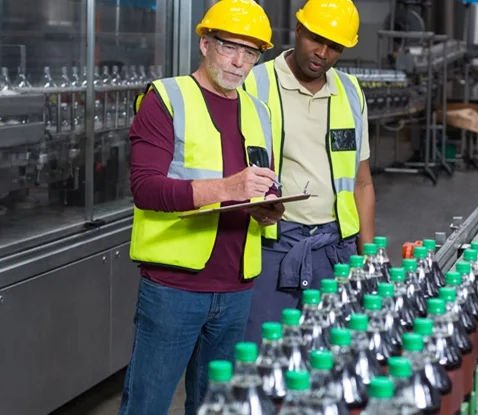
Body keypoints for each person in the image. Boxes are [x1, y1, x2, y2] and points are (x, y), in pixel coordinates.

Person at [118, 1, 284, 414]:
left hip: (238, 287)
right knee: (147, 405)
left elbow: (262, 183)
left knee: (216, 407)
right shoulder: (166, 99)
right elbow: (146, 189)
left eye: (251, 52)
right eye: (230, 46)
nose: (240, 61)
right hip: (175, 287)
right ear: (205, 44)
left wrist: (269, 208)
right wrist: (228, 187)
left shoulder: (259, 111)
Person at [242, 0, 375, 342]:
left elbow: (361, 182)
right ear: (298, 30)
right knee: (264, 357)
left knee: (329, 358)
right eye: (316, 39)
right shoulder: (253, 83)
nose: (322, 53)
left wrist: (369, 258)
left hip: (335, 250)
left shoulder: (349, 91)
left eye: (334, 47)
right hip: (271, 245)